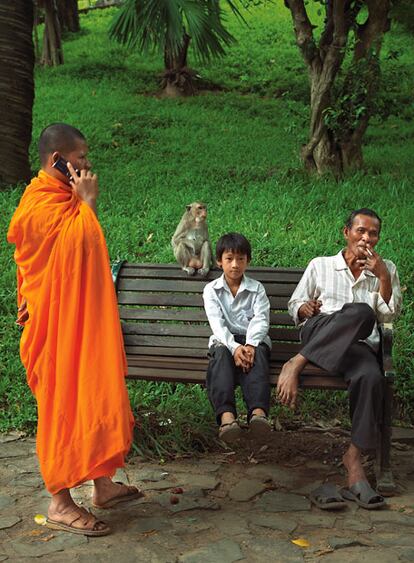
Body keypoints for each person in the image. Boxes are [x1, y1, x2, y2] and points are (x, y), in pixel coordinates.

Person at [7, 123, 141, 536]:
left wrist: (82, 205)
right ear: (57, 160)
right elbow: (73, 252)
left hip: (83, 326)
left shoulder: (65, 198)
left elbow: (84, 259)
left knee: (96, 394)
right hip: (56, 334)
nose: (87, 164)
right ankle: (61, 501)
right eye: (80, 157)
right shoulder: (38, 205)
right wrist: (89, 205)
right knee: (64, 406)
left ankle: (101, 485)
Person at [277, 208, 402, 508]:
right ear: (346, 232)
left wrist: (382, 275)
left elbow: (389, 314)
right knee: (359, 312)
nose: (366, 238)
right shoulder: (321, 265)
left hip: (356, 347)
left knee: (371, 375)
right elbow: (295, 304)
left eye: (373, 233)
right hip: (321, 332)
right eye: (360, 231)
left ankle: (354, 458)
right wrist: (303, 309)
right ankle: (298, 360)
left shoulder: (387, 269)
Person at [203, 233, 272, 443]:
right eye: (229, 259)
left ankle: (258, 414)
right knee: (220, 359)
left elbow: (261, 319)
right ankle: (227, 418)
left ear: (248, 261)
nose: (235, 265)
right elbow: (217, 324)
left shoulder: (256, 288)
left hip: (253, 341)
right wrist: (234, 348)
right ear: (219, 261)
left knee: (258, 356)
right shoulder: (211, 290)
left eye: (240, 259)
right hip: (225, 342)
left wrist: (250, 345)